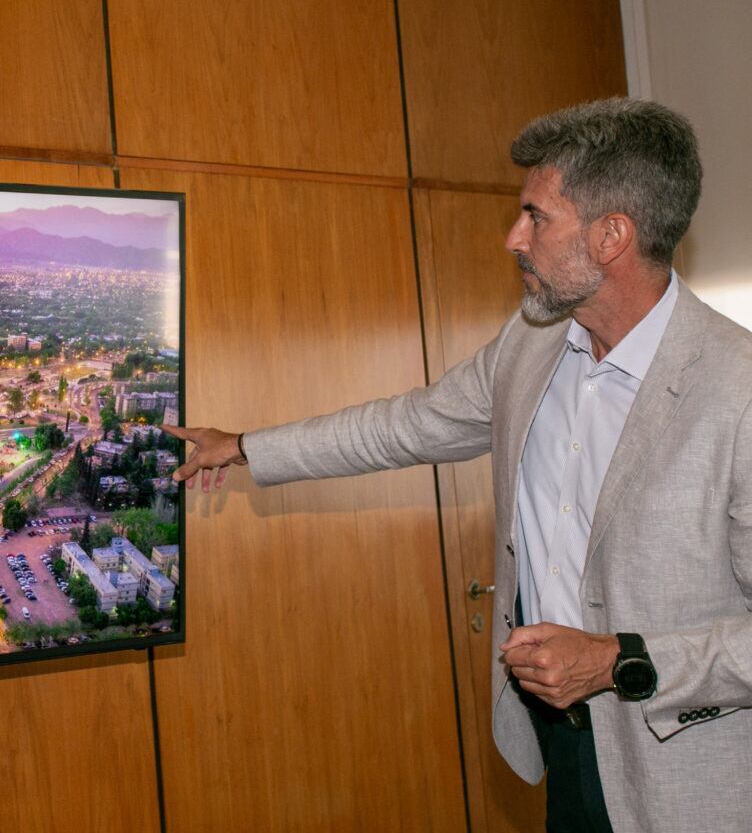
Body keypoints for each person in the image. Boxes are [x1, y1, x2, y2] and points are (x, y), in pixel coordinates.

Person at [166, 98, 752, 832]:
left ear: (611, 236)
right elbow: (409, 425)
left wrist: (618, 660)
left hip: (685, 778)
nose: (514, 238)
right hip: (557, 745)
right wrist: (248, 447)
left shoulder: (737, 391)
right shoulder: (531, 344)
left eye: (537, 217)